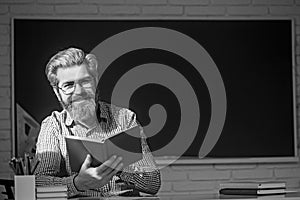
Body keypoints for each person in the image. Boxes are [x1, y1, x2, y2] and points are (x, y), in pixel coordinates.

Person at [34, 47, 161, 198]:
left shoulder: (126, 119)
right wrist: (78, 183)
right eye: (68, 85)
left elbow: (153, 183)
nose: (79, 91)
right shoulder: (53, 125)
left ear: (95, 82)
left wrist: (117, 168)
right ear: (57, 92)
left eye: (85, 81)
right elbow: (39, 183)